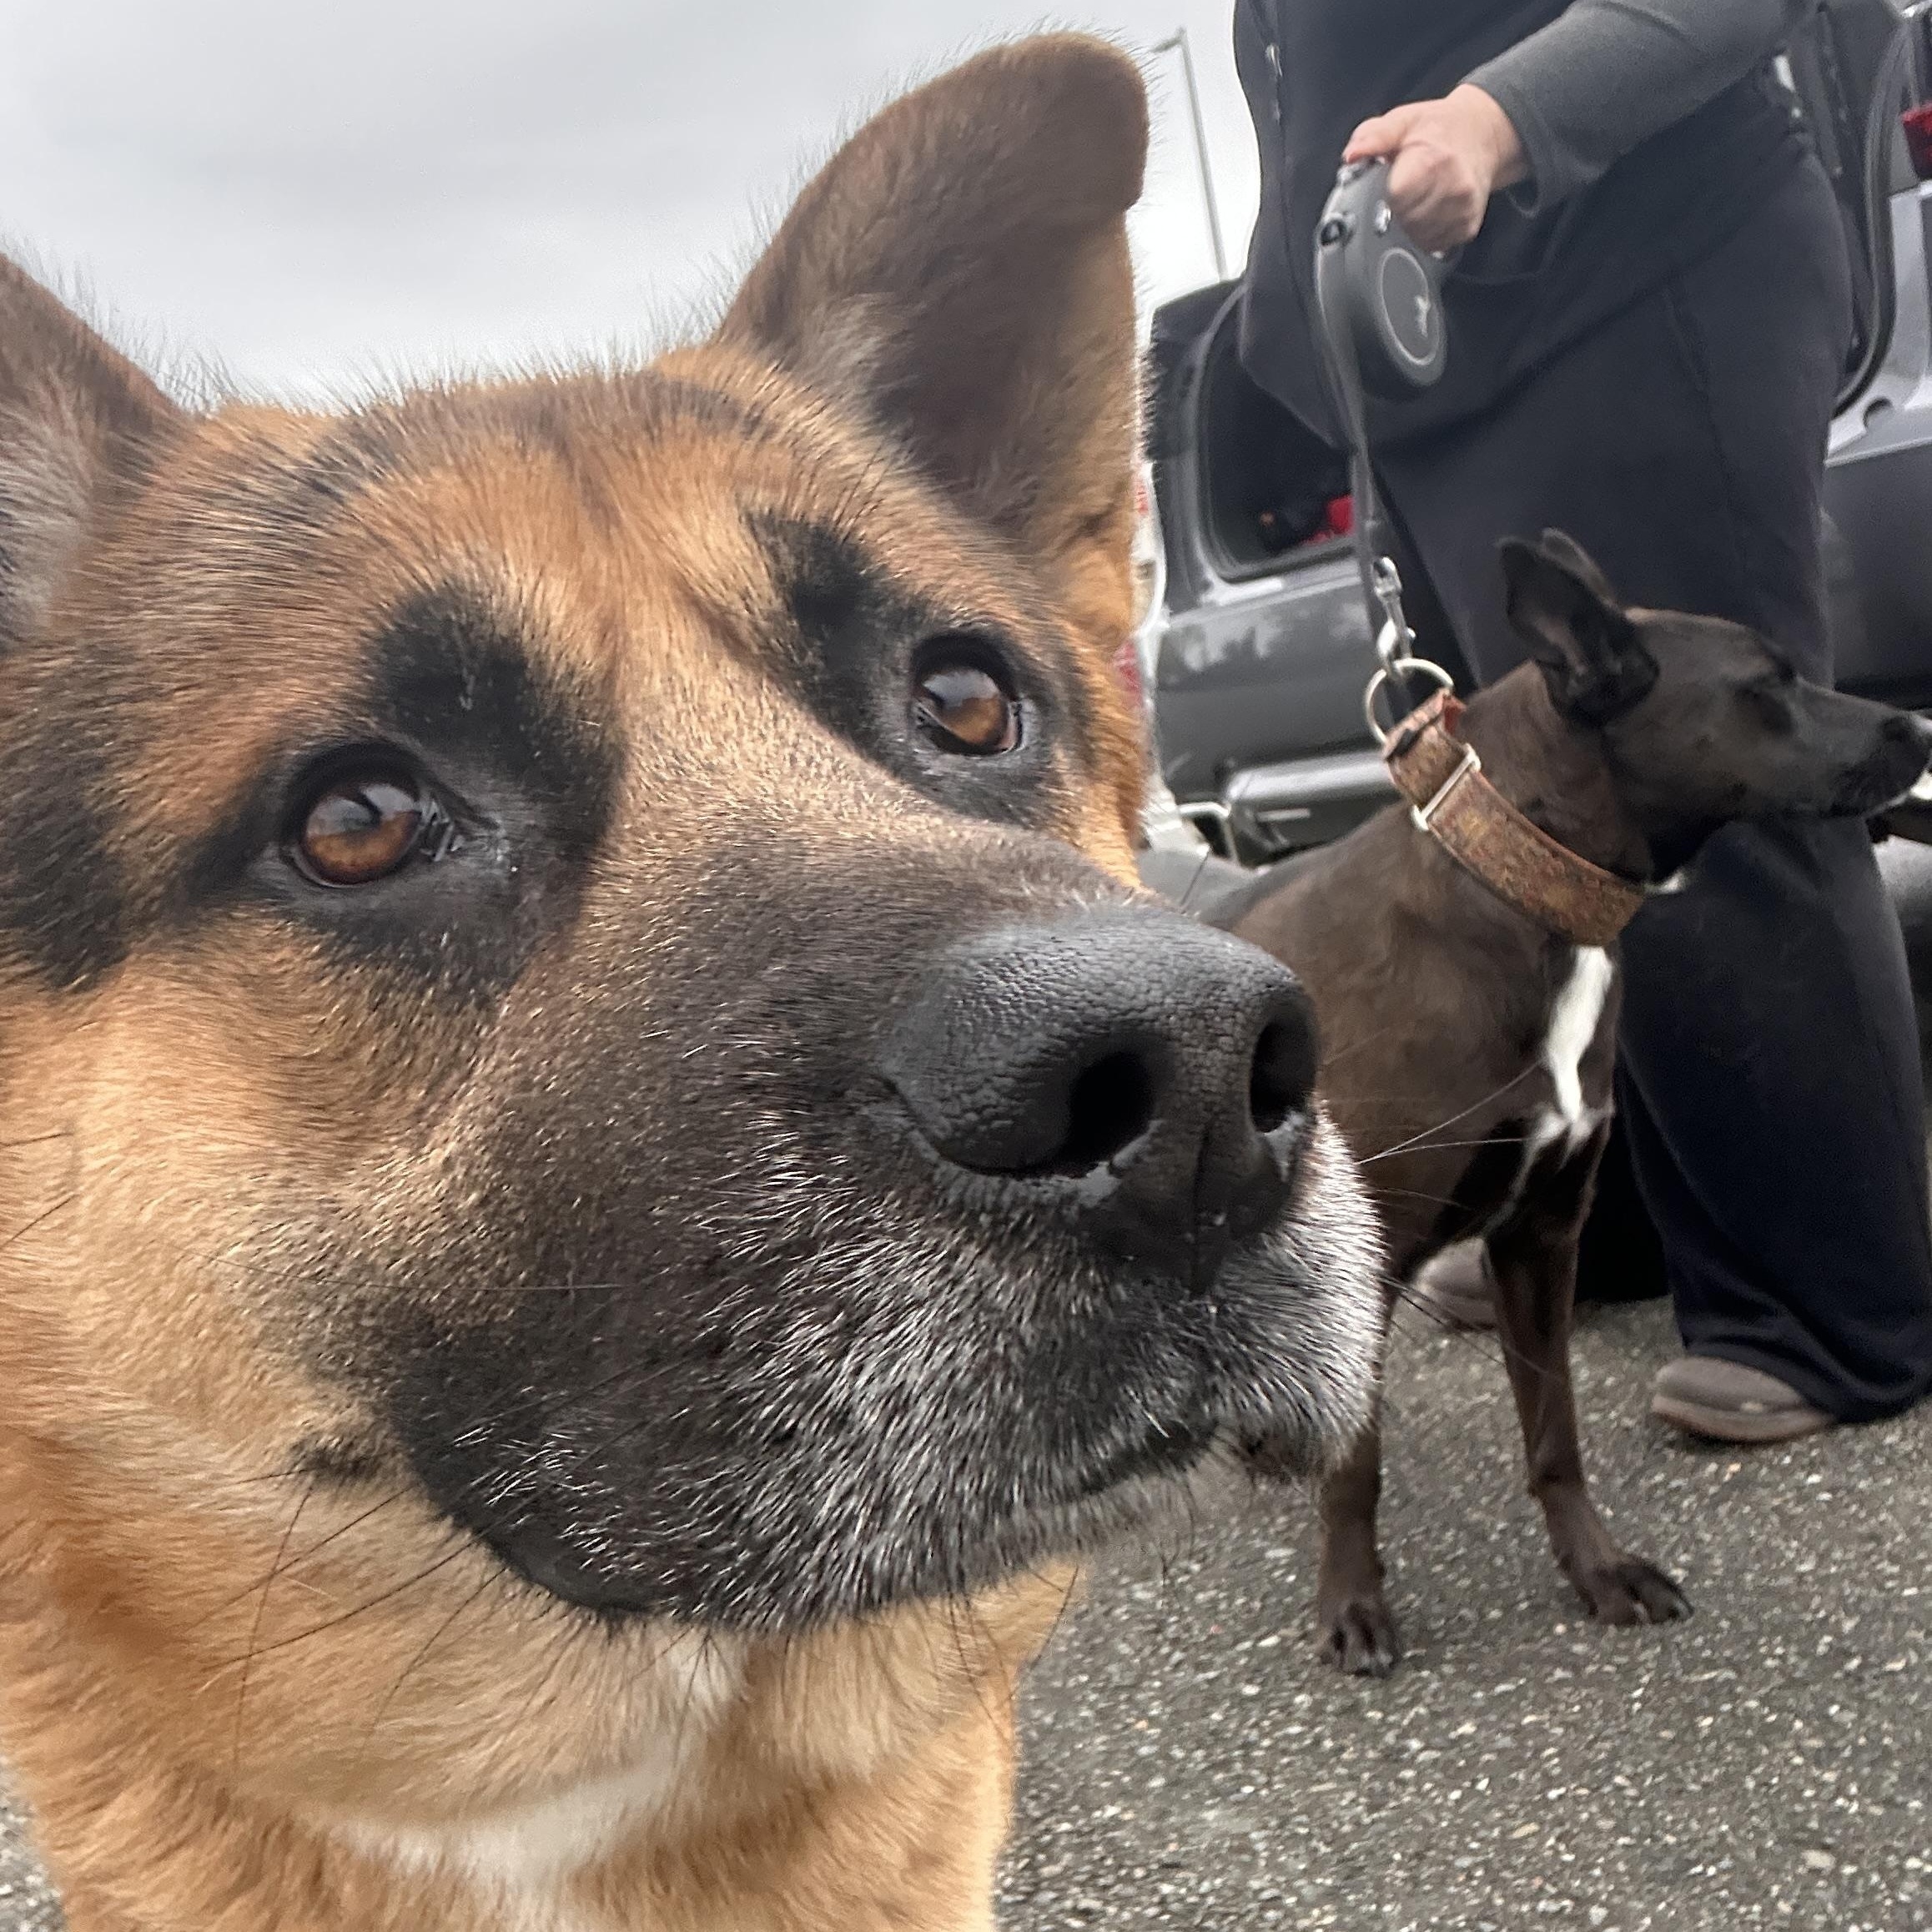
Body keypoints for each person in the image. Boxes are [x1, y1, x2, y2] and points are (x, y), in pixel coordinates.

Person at [1234, 0, 1932, 1443]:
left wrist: (1497, 120)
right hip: (1437, 338)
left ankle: (1838, 1311)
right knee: (1533, 826)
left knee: (1722, 776)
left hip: (1633, 270)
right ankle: (1601, 1223)